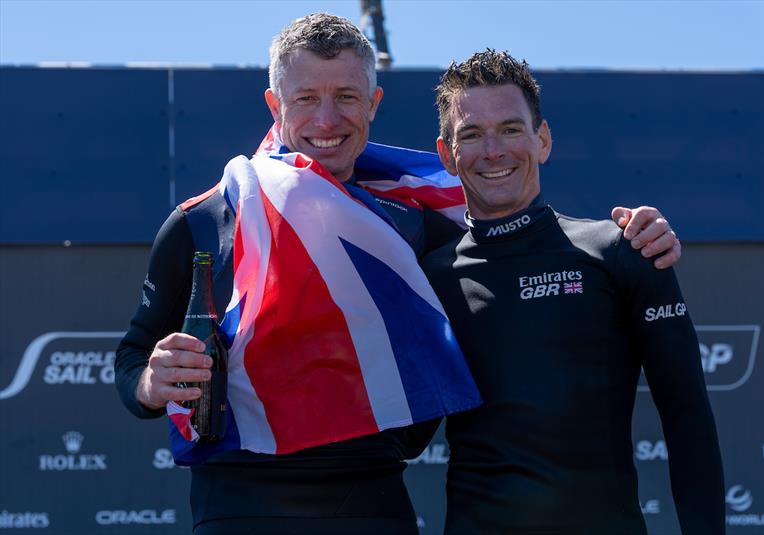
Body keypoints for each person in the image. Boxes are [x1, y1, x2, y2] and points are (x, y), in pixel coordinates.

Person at [115, 14, 683, 535]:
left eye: (346, 97)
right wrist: (151, 381)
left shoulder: (420, 224)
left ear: (374, 102)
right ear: (274, 104)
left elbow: (526, 251)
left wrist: (640, 235)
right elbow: (133, 359)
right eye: (306, 97)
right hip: (236, 506)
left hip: (372, 505)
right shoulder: (204, 219)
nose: (327, 119)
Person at [422, 50, 725, 534]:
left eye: (511, 128)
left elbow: (687, 417)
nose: (493, 150)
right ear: (447, 155)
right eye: (472, 134)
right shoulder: (427, 277)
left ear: (542, 140)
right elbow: (402, 438)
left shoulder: (622, 250)